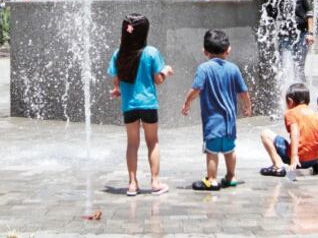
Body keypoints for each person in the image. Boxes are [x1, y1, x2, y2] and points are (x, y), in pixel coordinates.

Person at [108, 13, 174, 196]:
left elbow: (117, 80)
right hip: (148, 104)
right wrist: (166, 71)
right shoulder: (151, 52)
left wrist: (117, 90)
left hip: (129, 105)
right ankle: (155, 182)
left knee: (132, 144)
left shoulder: (118, 54)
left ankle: (132, 184)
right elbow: (158, 80)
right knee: (152, 142)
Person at [181, 29, 252, 191]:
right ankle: (231, 176)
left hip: (213, 121)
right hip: (230, 121)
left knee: (212, 151)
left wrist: (187, 102)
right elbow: (243, 92)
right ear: (228, 50)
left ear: (205, 52)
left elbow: (196, 89)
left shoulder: (204, 69)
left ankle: (212, 179)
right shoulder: (233, 68)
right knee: (229, 149)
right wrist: (247, 106)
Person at [259, 83, 318, 179]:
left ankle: (277, 166)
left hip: (299, 161)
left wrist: (294, 157)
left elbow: (295, 133)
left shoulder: (290, 113)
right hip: (314, 159)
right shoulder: (317, 116)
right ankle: (315, 164)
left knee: (265, 133)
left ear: (290, 101)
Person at [248, 0, 314, 83]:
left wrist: (310, 33)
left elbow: (309, 12)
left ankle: (302, 95)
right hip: (283, 36)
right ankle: (287, 94)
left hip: (300, 34)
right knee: (285, 67)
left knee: (299, 67)